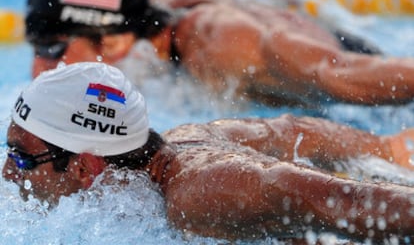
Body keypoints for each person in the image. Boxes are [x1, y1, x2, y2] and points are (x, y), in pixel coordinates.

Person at [3, 61, 414, 243]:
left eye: (21, 157)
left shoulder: (200, 194)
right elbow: (293, 130)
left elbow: (348, 199)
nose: (7, 172)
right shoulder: (189, 140)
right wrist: (388, 148)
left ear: (84, 166)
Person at [24, 0, 414, 108]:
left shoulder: (223, 44)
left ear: (112, 42)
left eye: (52, 49)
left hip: (358, 69)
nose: (38, 69)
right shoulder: (161, 12)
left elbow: (333, 72)